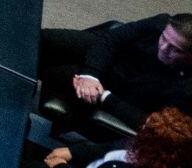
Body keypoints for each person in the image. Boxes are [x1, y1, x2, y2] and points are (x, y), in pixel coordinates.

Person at [40, 15, 192, 137]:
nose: (163, 48)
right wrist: (91, 75)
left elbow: (156, 124)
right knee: (42, 38)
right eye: (164, 38)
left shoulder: (187, 89)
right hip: (110, 58)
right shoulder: (161, 22)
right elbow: (113, 38)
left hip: (114, 96)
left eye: (175, 49)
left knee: (50, 69)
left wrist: (105, 97)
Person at [43, 106, 192, 167]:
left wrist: (60, 166)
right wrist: (74, 152)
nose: (138, 132)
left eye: (143, 133)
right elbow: (108, 147)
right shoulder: (138, 147)